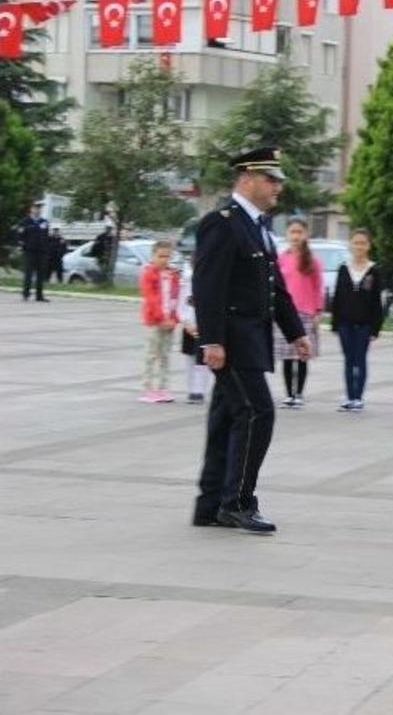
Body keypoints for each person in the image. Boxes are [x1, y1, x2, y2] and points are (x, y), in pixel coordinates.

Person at [191, 147, 311, 534]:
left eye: (277, 180)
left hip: (250, 340)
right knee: (258, 413)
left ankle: (211, 504)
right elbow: (207, 285)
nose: (277, 186)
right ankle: (238, 502)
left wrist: (296, 331)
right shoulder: (222, 223)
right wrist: (211, 340)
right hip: (231, 342)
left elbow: (274, 288)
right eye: (270, 179)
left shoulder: (257, 225)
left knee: (226, 419)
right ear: (246, 179)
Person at [330, 228, 385, 412]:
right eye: (356, 243)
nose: (359, 246)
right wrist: (335, 323)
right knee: (348, 359)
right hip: (345, 323)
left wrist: (375, 328)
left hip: (365, 324)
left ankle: (358, 397)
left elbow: (377, 302)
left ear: (369, 245)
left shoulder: (373, 271)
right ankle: (349, 397)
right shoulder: (343, 268)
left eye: (363, 243)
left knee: (360, 359)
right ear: (350, 245)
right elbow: (337, 297)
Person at [274, 217, 324, 409]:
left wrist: (318, 311)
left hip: (306, 313)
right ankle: (289, 394)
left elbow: (318, 288)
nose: (295, 236)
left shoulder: (313, 261)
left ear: (306, 235)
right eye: (292, 232)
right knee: (287, 357)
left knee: (302, 355)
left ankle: (299, 394)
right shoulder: (281, 258)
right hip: (286, 313)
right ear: (287, 234)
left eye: (299, 232)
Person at [138, 240, 181, 403]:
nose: (164, 260)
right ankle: (148, 388)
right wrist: (161, 318)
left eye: (167, 256)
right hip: (154, 321)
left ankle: (163, 387)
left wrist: (174, 318)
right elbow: (151, 299)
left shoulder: (173, 274)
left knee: (165, 355)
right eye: (160, 256)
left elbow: (176, 297)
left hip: (170, 321)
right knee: (152, 355)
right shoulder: (149, 273)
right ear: (153, 256)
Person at [178, 261, 211, 404]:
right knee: (189, 357)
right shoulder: (187, 281)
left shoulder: (211, 280)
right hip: (189, 325)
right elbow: (181, 304)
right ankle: (191, 389)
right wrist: (186, 322)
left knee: (203, 359)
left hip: (205, 326)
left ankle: (200, 390)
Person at [16, 201, 50, 302]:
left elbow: (46, 236)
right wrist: (21, 245)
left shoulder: (44, 221)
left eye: (40, 208)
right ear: (31, 209)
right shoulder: (25, 221)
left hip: (41, 251)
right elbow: (20, 235)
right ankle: (26, 294)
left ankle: (39, 296)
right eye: (36, 208)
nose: (38, 210)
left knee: (40, 274)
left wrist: (46, 249)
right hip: (29, 251)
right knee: (28, 273)